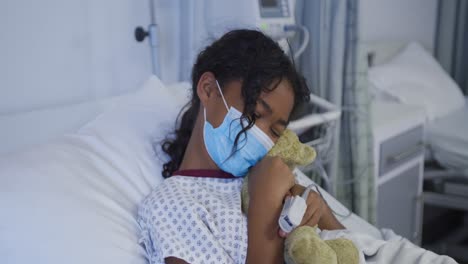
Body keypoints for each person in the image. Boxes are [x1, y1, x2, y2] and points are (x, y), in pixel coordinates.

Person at [137, 29, 345, 264]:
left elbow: (355, 250)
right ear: (208, 89)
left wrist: (322, 212)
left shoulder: (268, 173)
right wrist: (264, 208)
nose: (263, 137)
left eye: (276, 131)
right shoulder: (172, 204)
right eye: (255, 115)